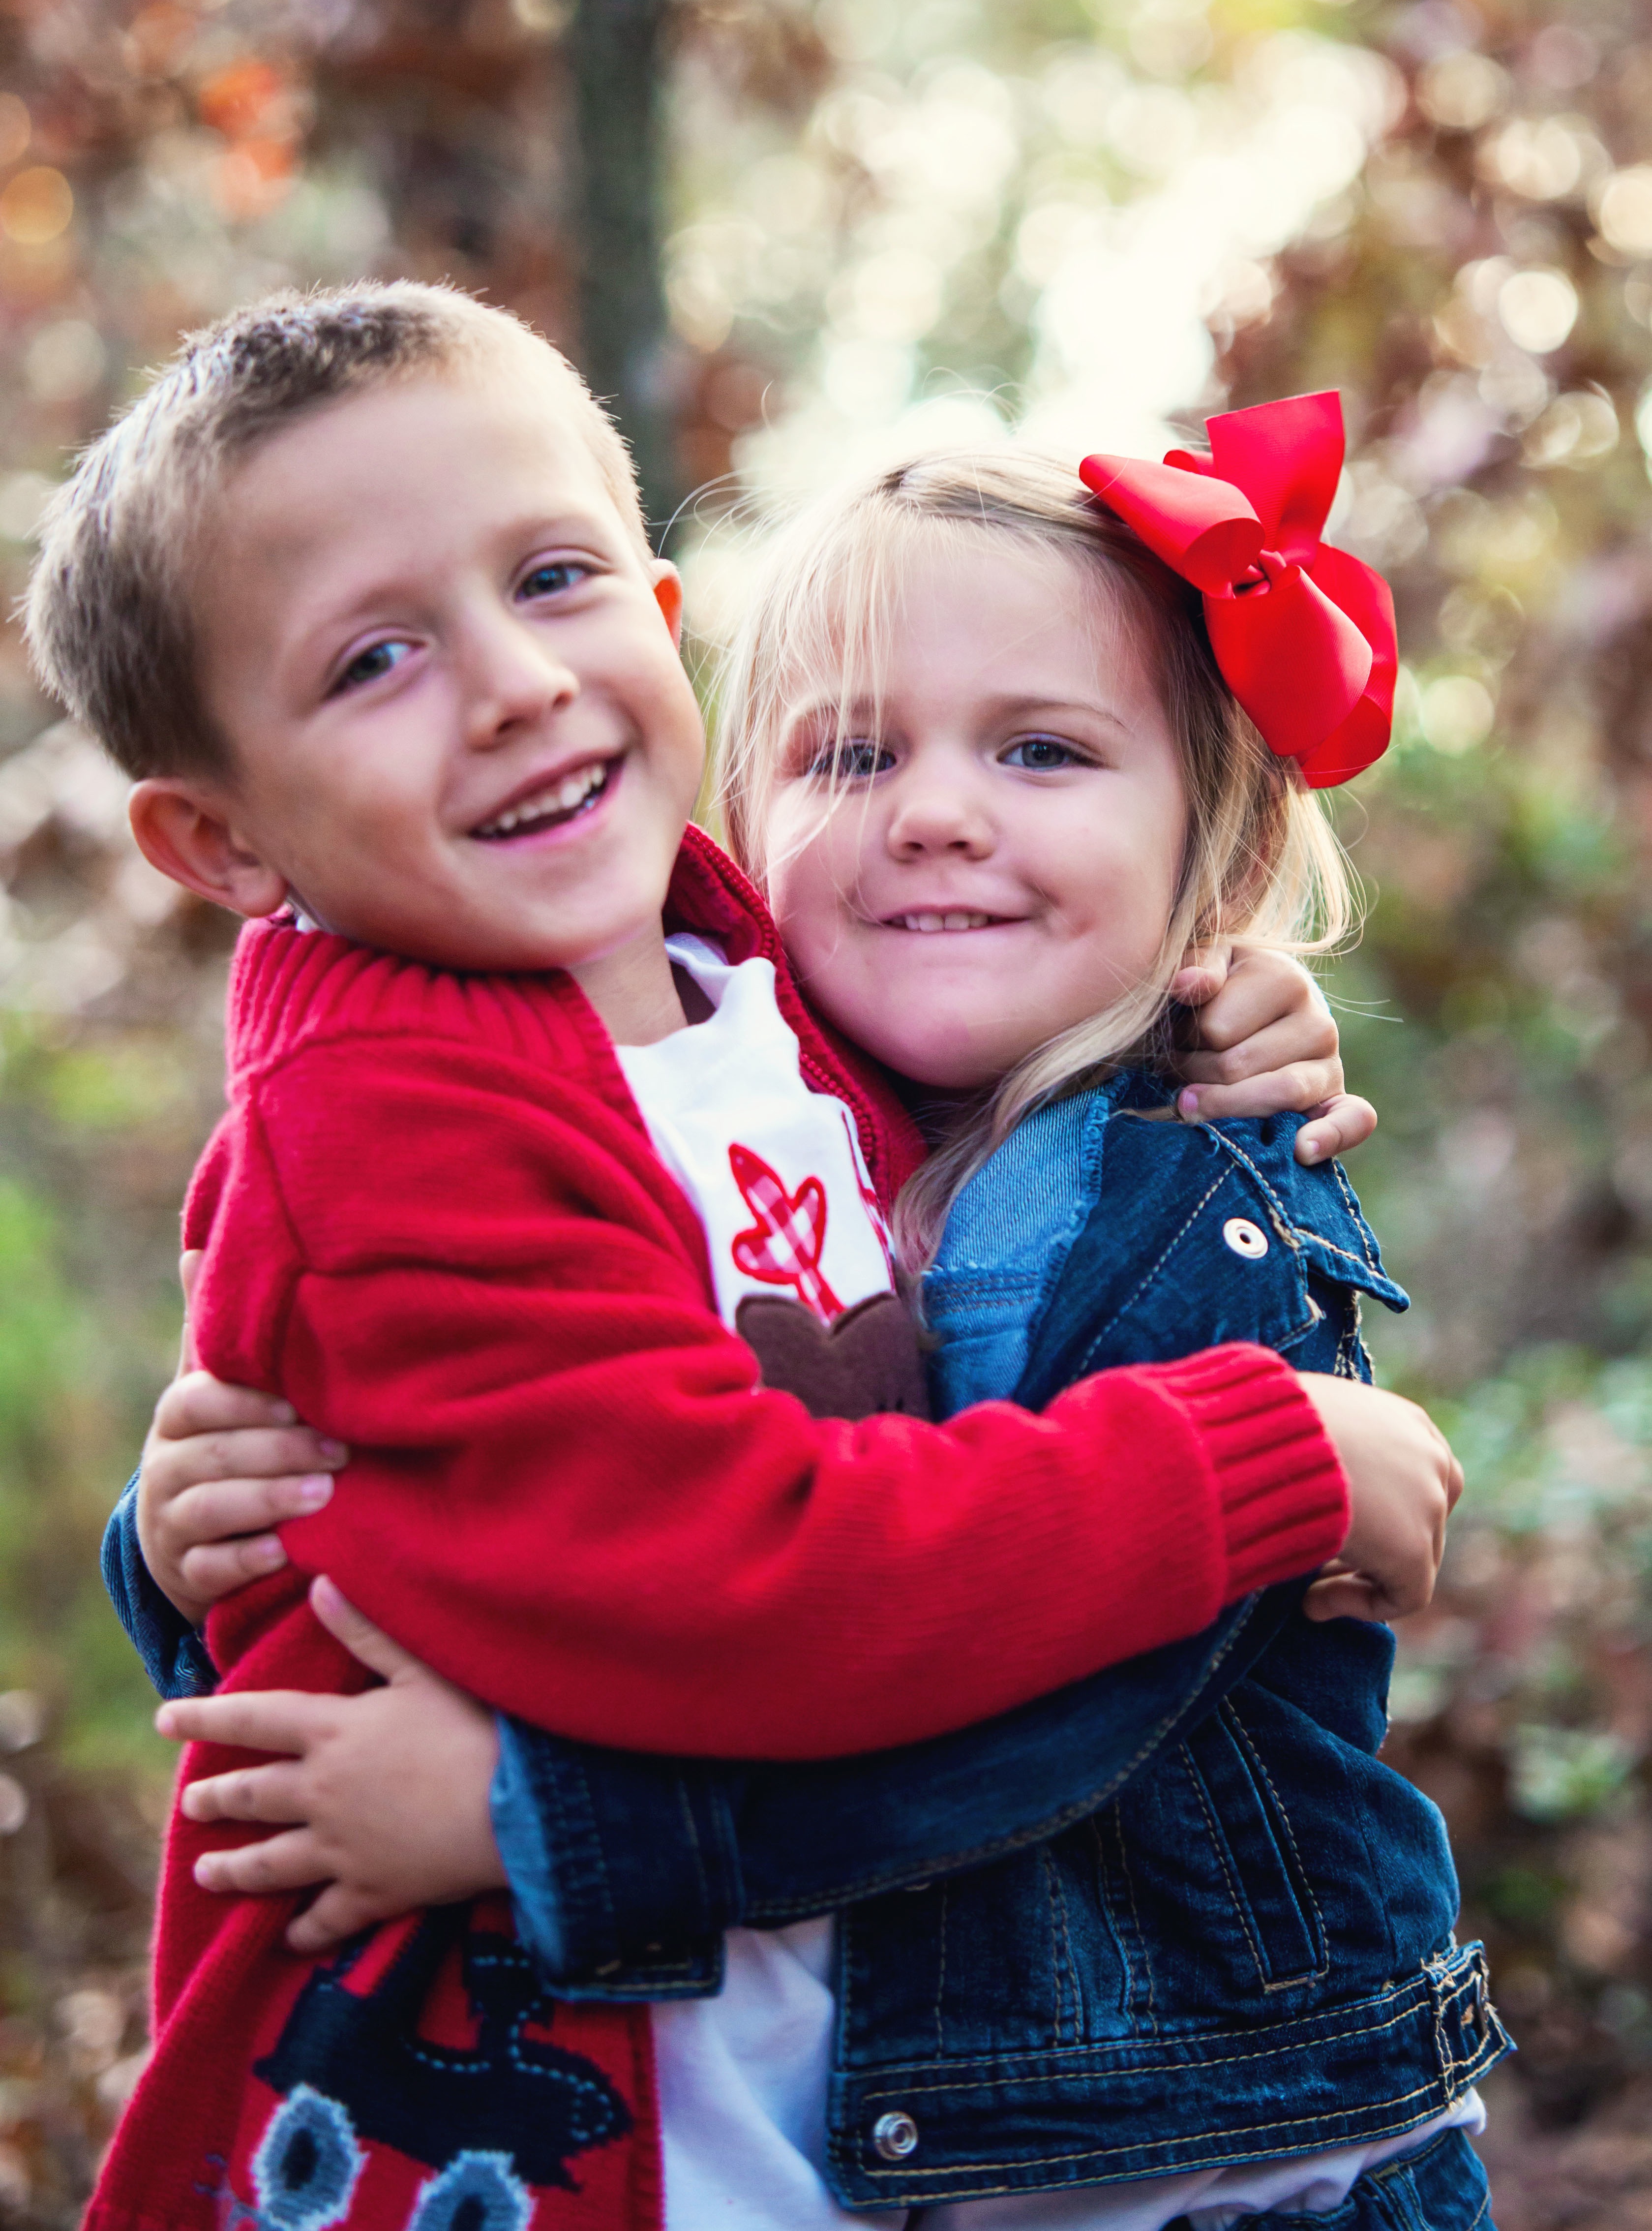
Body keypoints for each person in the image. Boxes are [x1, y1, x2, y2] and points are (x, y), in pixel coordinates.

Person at [81, 322, 1482, 2230]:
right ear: (221, 836)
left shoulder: (764, 1019)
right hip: (556, 2127)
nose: (510, 684)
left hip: (1120, 2132)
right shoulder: (408, 1116)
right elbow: (704, 1558)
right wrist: (190, 1564)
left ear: (658, 625)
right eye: (376, 656)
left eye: (554, 579)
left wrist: (1214, 995)